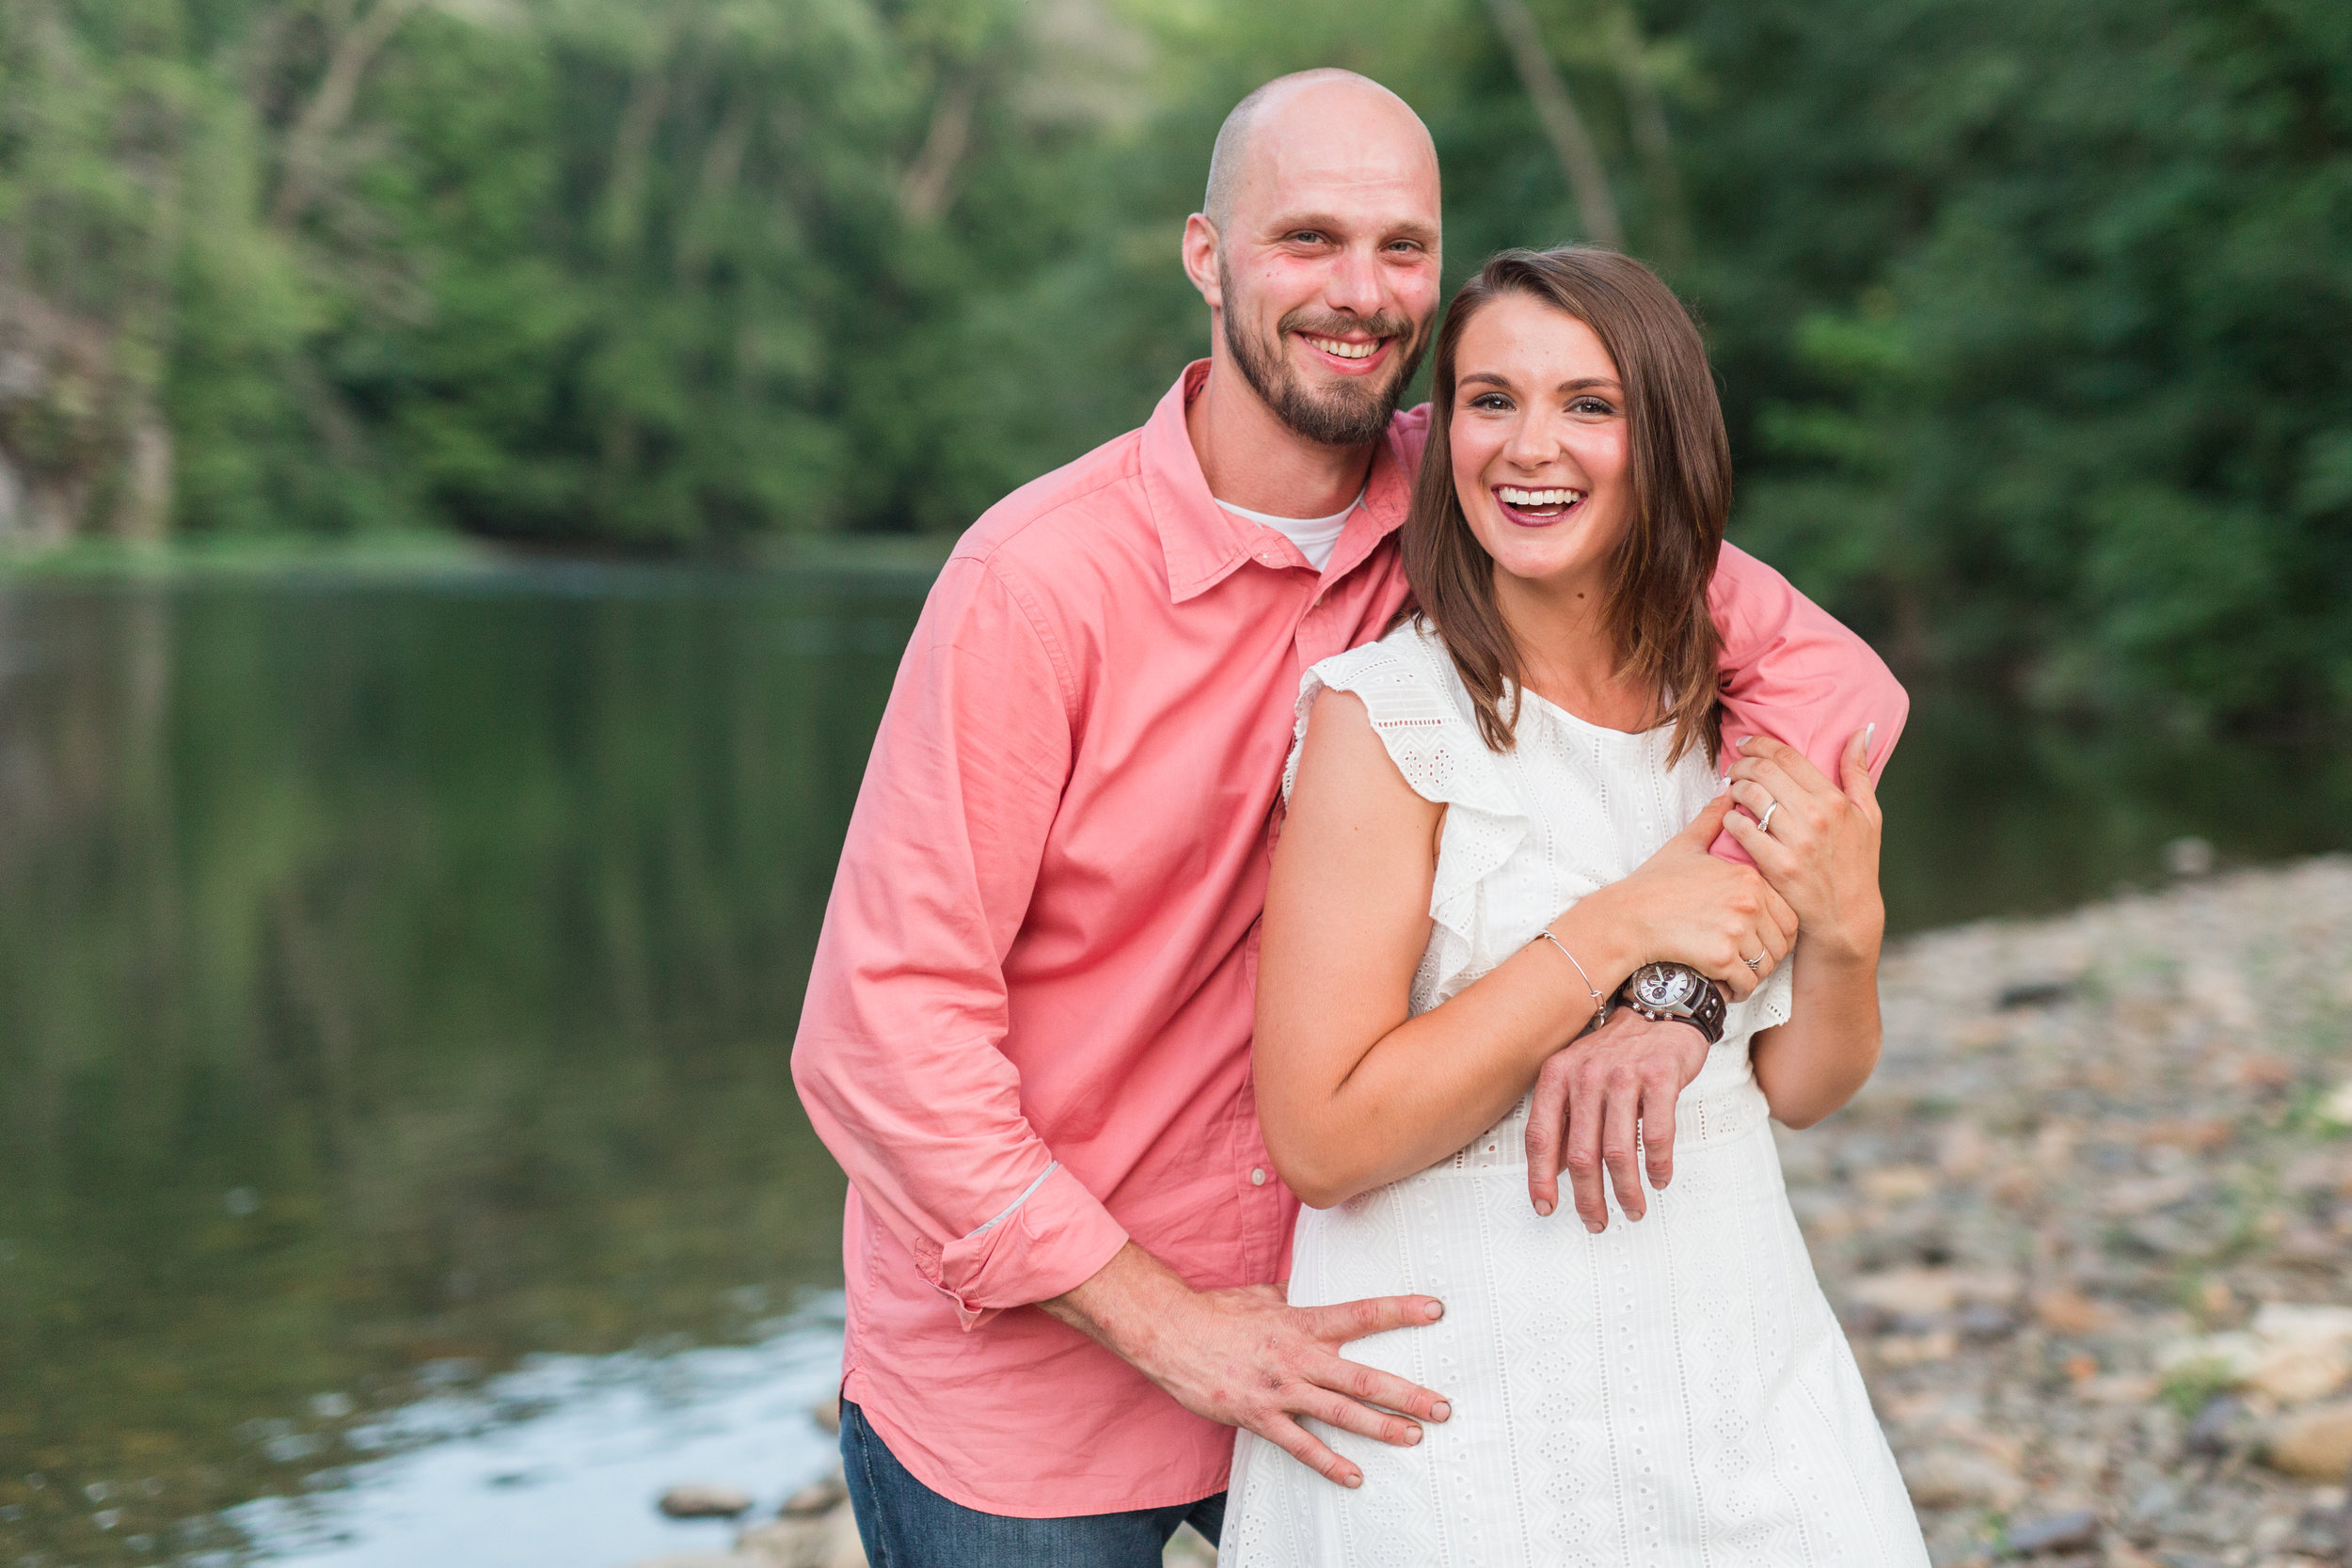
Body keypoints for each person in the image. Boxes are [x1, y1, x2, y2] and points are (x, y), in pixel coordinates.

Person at [790, 69, 1907, 1567]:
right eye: (1307, 239)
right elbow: (882, 1038)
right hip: (1047, 1380)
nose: (1360, 292)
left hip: (1383, 1349)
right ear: (1207, 255)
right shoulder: (1035, 586)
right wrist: (1166, 1324)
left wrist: (1679, 990)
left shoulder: (1487, 488)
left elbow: (1826, 687)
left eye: (1401, 248)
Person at [1219, 246, 1929, 1566]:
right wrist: (1615, 933)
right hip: (1465, 1418)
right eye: (1489, 400)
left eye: (1588, 405)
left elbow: (1805, 1082)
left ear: (1664, 436)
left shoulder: (1748, 717)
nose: (1528, 446)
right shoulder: (1390, 720)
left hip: (1742, 1380)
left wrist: (1847, 933)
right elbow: (1320, 1138)